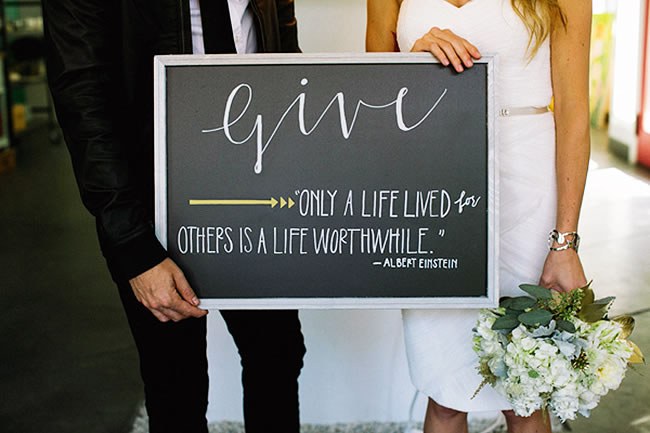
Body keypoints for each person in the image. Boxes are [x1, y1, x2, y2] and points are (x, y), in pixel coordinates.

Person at [42, 1, 306, 432]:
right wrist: (132, 246)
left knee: (278, 357)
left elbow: (281, 48)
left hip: (257, 195)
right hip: (152, 203)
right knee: (175, 388)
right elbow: (81, 96)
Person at [367, 0, 590, 432]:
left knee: (526, 394)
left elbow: (574, 110)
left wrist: (564, 240)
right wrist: (414, 63)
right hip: (434, 191)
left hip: (528, 191)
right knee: (445, 393)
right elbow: (374, 96)